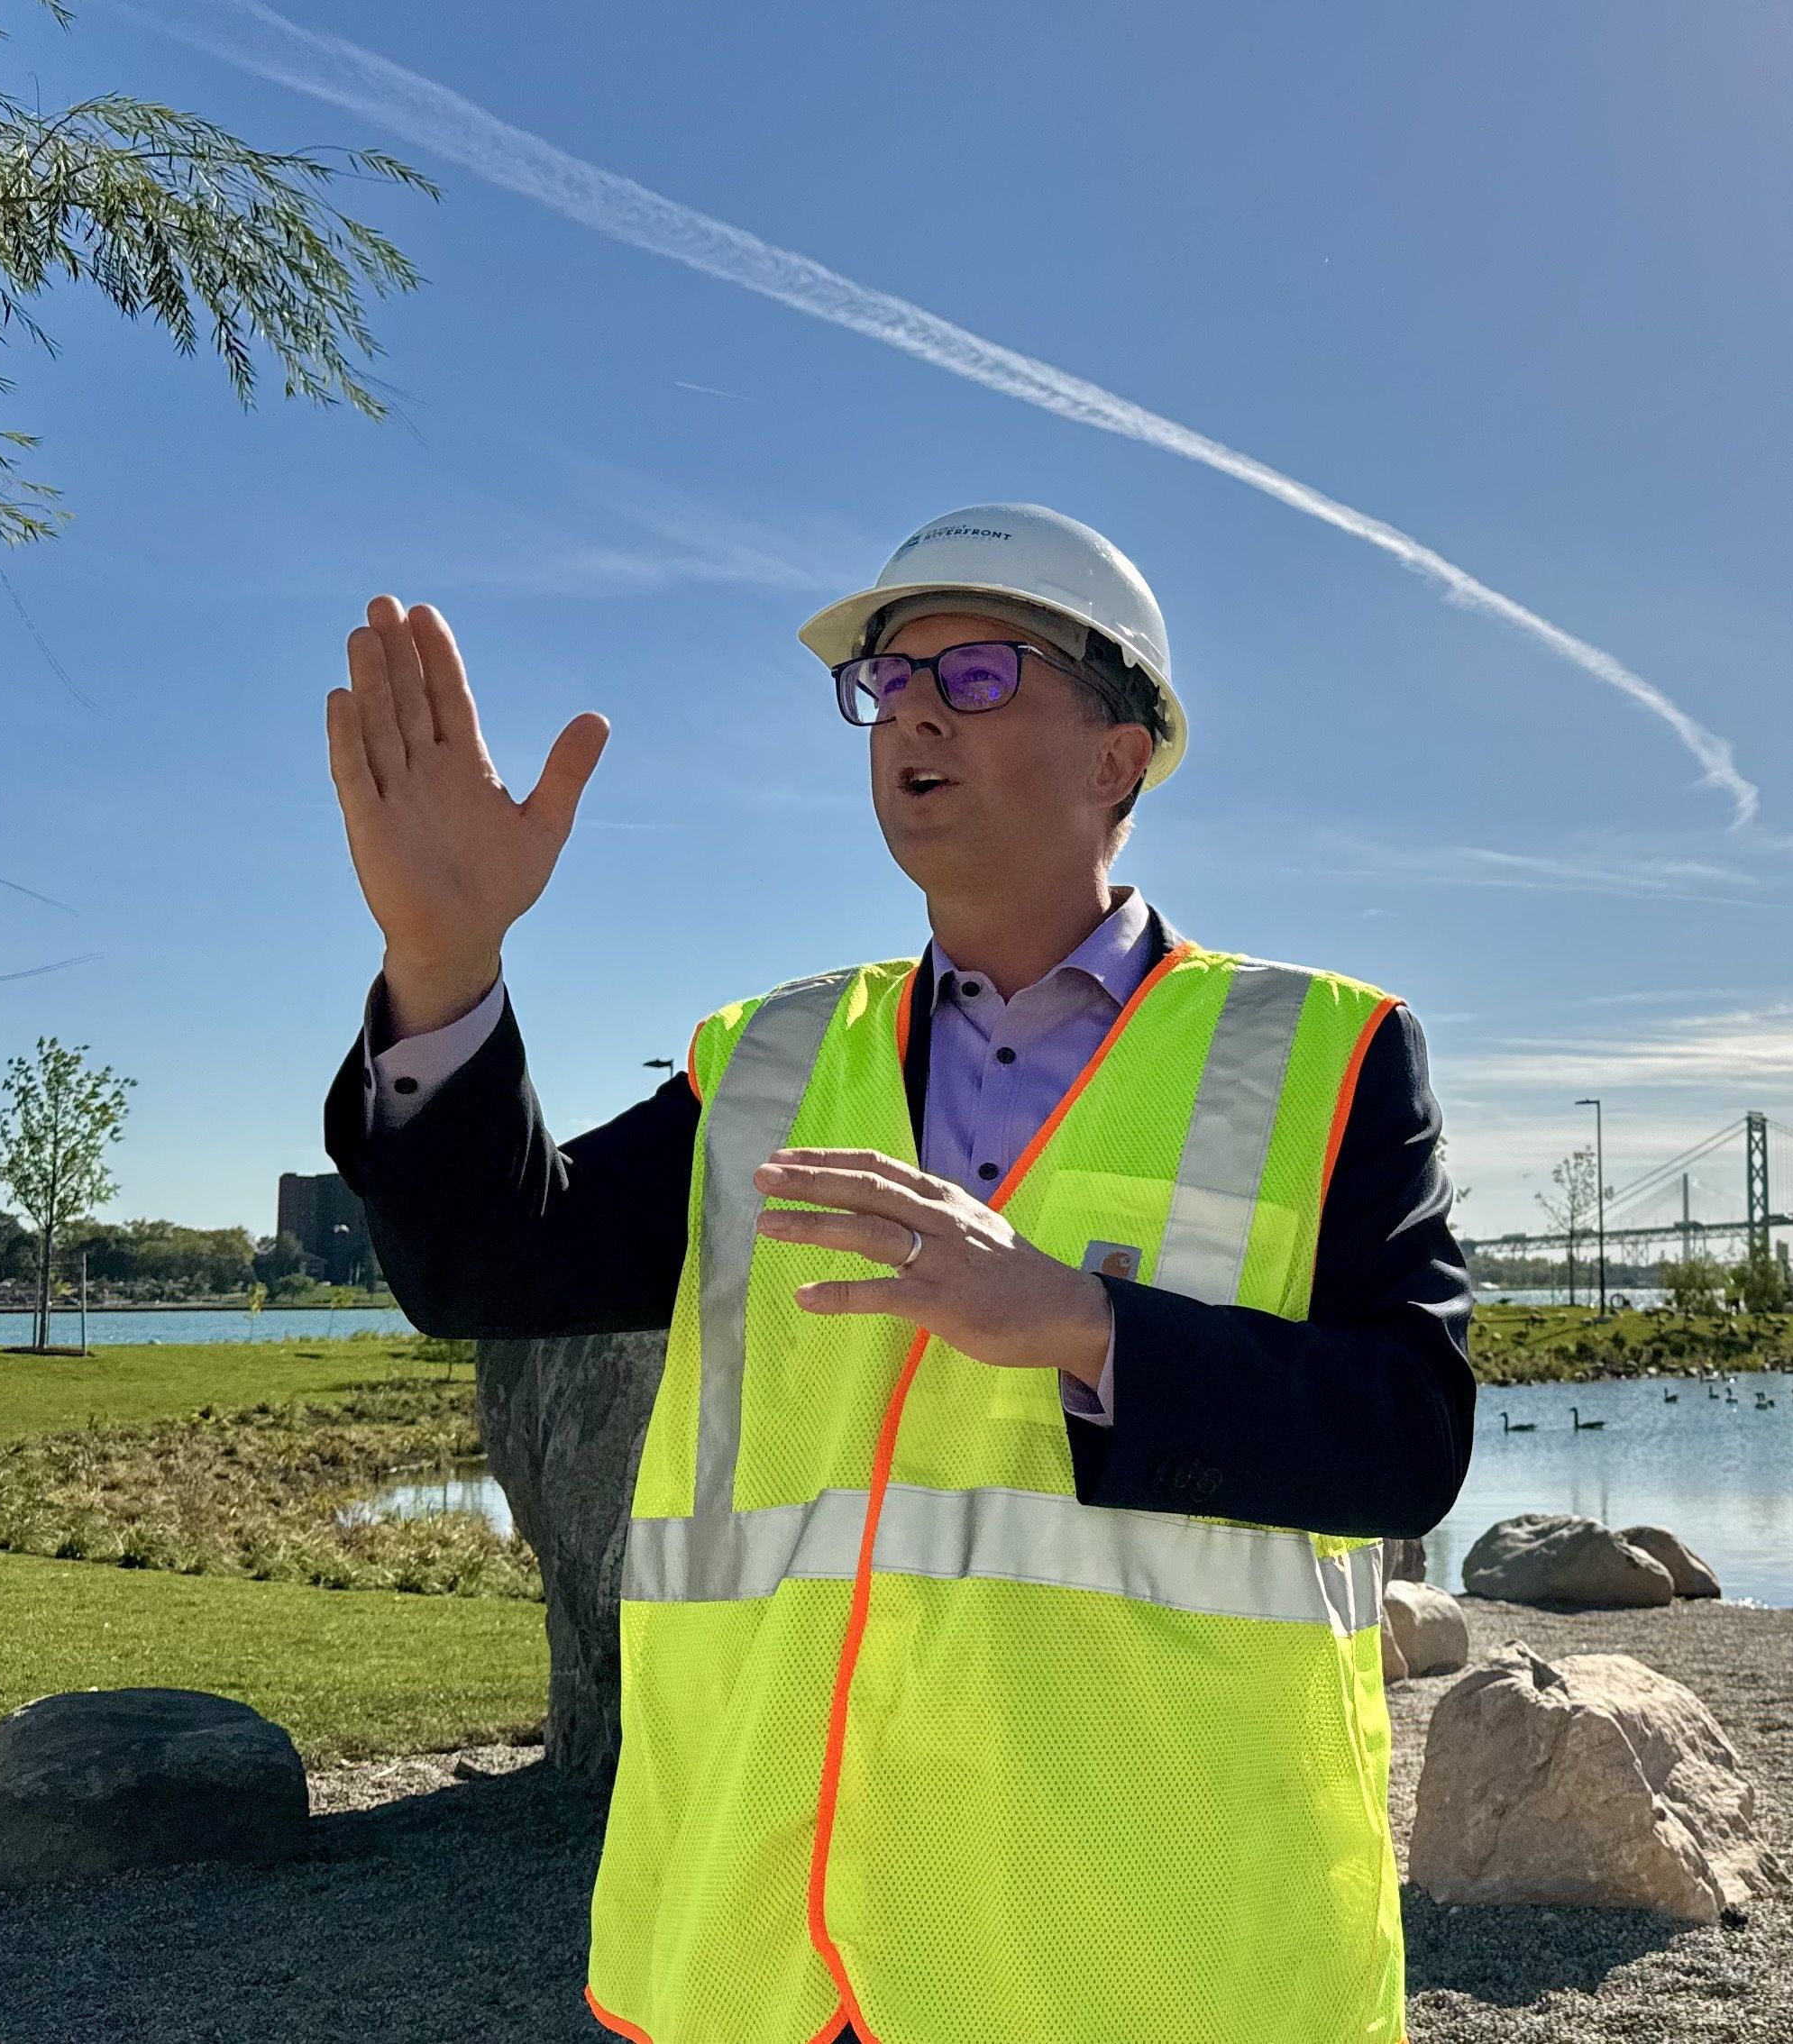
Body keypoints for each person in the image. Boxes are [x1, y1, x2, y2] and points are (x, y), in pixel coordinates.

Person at [319, 503, 1471, 2044]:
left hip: (1152, 1962)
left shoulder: (1323, 1056)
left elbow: (1407, 1439)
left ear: (1121, 752)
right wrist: (444, 964)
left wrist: (1080, 1322)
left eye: (978, 673)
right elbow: (487, 1271)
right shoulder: (769, 1063)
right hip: (773, 1959)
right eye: (887, 676)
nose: (912, 709)